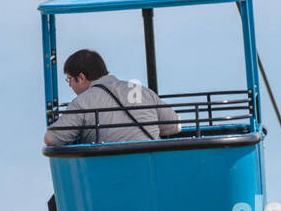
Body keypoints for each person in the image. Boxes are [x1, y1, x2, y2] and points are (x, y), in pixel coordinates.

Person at [43, 50, 181, 147]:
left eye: (69, 80)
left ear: (81, 77)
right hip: (151, 166)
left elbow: (51, 140)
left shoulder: (82, 103)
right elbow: (175, 126)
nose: (70, 86)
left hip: (108, 173)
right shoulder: (141, 90)